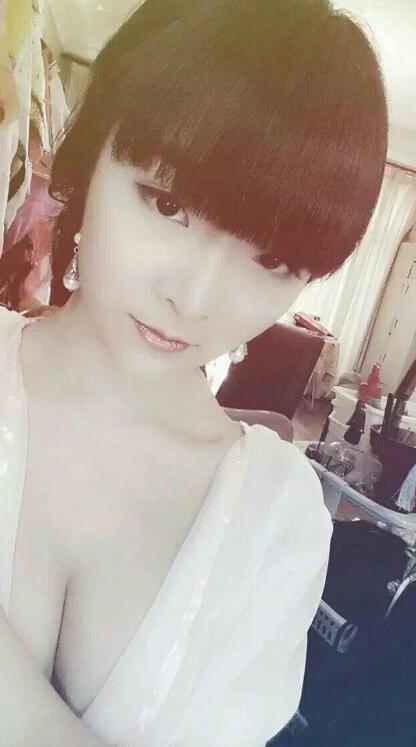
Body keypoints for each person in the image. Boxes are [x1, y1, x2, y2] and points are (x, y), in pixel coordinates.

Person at [0, 0, 388, 745]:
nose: (196, 299)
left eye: (273, 259)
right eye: (167, 202)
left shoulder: (277, 517)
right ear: (90, 155)